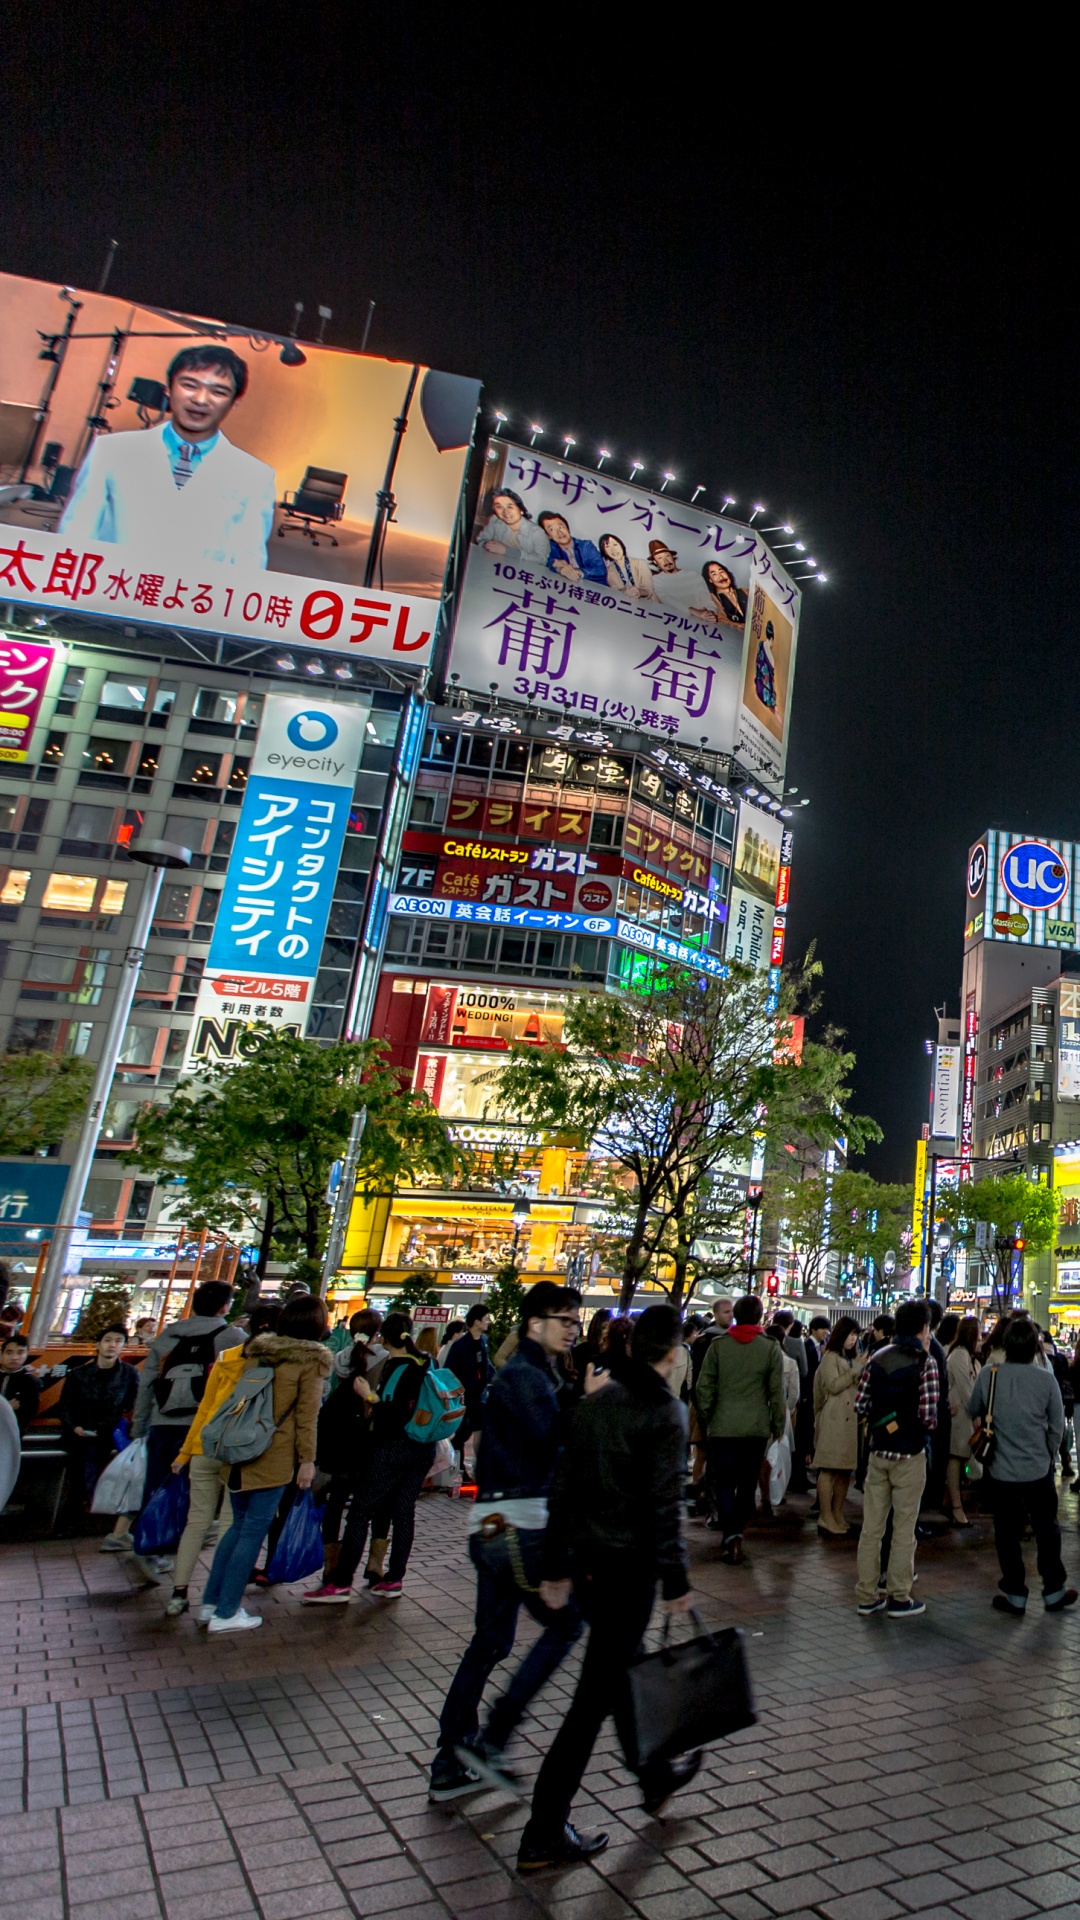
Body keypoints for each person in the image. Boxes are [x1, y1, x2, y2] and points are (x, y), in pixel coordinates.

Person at [516, 1306, 696, 1873]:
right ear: (673, 1354)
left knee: (620, 1672)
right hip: (629, 1570)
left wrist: (556, 1566)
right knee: (592, 1701)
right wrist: (675, 1578)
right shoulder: (665, 1412)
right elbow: (664, 1504)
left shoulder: (597, 1403)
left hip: (589, 1564)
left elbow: (564, 1488)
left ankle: (654, 1774)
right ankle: (544, 1830)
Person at [429, 1281, 585, 1801]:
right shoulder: (527, 1377)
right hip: (520, 1526)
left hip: (493, 1525)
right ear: (535, 1324)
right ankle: (492, 1739)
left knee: (491, 1641)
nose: (573, 1329)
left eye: (575, 1320)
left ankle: (451, 1760)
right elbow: (555, 1445)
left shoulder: (528, 1374)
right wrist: (585, 1402)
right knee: (565, 1624)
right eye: (564, 1320)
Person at [60, 345, 277, 568]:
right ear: (169, 390)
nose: (201, 400)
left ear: (235, 402)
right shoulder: (112, 450)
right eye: (190, 385)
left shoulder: (255, 477)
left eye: (218, 392)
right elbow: (77, 530)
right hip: (113, 583)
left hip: (193, 589)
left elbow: (248, 560)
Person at [198, 1293, 331, 1633]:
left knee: (237, 1527)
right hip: (272, 1456)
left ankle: (211, 1603)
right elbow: (307, 1418)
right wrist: (307, 1460)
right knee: (252, 1532)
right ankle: (226, 1612)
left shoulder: (260, 1353)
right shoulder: (310, 1362)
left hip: (239, 1448)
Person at [303, 1313, 437, 1602]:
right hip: (423, 1449)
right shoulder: (426, 1363)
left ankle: (341, 1583)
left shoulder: (397, 1367)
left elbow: (392, 1412)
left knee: (360, 1513)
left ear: (385, 1339)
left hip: (393, 1449)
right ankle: (394, 1579)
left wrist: (368, 1396)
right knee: (404, 1512)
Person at [161, 1302, 281, 1617]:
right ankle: (214, 1600)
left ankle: (178, 1593)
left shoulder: (227, 1357)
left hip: (206, 1444)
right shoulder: (275, 1364)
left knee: (196, 1522)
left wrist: (185, 1452)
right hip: (240, 1451)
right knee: (231, 1525)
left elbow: (205, 1407)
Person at [968, 1316, 1077, 1614]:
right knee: (1047, 1529)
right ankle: (1053, 1591)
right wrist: (1047, 1452)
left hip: (1001, 1470)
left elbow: (973, 1408)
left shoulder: (989, 1375)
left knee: (1006, 1532)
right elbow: (1057, 1425)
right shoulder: (1046, 1379)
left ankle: (1015, 1594)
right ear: (1034, 1347)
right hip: (1038, 1469)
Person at [130, 1280, 246, 1523]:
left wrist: (139, 1427)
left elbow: (147, 1384)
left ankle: (149, 1536)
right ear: (224, 1307)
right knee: (194, 1494)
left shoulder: (167, 1336)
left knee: (156, 1486)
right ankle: (180, 1537)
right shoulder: (233, 1337)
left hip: (161, 1422)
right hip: (203, 1427)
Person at [854, 1299, 938, 1618]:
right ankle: (899, 1596)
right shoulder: (925, 1363)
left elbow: (860, 1405)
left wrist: (884, 1419)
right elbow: (929, 1416)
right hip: (910, 1454)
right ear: (923, 1328)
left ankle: (866, 1595)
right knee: (904, 1528)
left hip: (878, 1452)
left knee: (872, 1528)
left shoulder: (877, 1357)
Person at [695, 1295, 785, 1564]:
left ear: (736, 1315)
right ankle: (737, 1534)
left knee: (724, 1483)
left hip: (723, 1425)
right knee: (747, 1484)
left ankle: (729, 1535)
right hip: (756, 1427)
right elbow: (776, 1392)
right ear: (759, 1317)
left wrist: (707, 1416)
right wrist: (778, 1424)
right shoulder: (769, 1347)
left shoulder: (719, 1346)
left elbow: (704, 1386)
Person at [58, 1326, 139, 1524]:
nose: (113, 1345)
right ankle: (79, 1509)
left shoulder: (129, 1373)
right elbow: (65, 1405)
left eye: (118, 1341)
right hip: (78, 1431)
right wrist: (74, 1427)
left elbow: (133, 1402)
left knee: (97, 1454)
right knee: (81, 1457)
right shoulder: (79, 1373)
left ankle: (87, 1509)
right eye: (108, 1340)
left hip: (110, 1432)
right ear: (98, 1344)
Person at [812, 1317, 865, 1537]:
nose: (853, 1339)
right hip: (834, 1418)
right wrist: (855, 1371)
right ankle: (825, 1515)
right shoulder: (830, 1358)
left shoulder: (852, 1359)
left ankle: (837, 1513)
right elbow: (833, 1386)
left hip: (851, 1418)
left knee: (844, 1470)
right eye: (850, 1334)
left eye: (856, 1335)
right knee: (829, 1468)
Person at [445, 1304, 494, 1472]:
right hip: (464, 1396)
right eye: (486, 1318)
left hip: (479, 1396)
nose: (488, 1322)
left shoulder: (483, 1341)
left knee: (481, 1429)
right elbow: (450, 1370)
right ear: (476, 1321)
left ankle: (479, 1466)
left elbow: (486, 1366)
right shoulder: (461, 1345)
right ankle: (456, 1467)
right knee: (462, 1433)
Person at [945, 1316, 982, 1526]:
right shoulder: (960, 1355)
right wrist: (976, 1414)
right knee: (956, 1459)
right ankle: (956, 1507)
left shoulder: (966, 1355)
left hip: (962, 1416)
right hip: (959, 1417)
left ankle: (952, 1503)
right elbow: (967, 1389)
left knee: (959, 1460)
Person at [475, 488, 550, 560]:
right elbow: (481, 539)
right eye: (499, 507)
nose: (505, 512)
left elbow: (542, 560)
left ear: (521, 510)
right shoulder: (494, 520)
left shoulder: (537, 532)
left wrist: (506, 551)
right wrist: (487, 545)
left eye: (510, 507)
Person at [537, 511, 607, 584]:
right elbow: (548, 561)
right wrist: (557, 566)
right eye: (552, 529)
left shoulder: (586, 546)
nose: (559, 532)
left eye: (560, 527)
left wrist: (579, 572)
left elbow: (601, 571)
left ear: (568, 528)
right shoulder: (549, 547)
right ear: (548, 535)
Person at [598, 533, 659, 600]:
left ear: (621, 545)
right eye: (607, 547)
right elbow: (613, 591)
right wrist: (622, 591)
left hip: (649, 604)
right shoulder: (608, 571)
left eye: (615, 545)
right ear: (604, 551)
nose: (613, 550)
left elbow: (648, 589)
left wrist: (639, 592)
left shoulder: (640, 563)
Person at [0, 1333, 40, 1432]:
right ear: (1, 1354)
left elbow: (28, 1413)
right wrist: (6, 1406)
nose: (14, 1357)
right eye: (9, 1353)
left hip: (11, 1431)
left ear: (27, 1355)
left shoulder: (30, 1382)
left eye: (20, 1353)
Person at [700, 560, 747, 626]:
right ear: (710, 580)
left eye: (721, 572)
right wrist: (738, 625)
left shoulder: (745, 591)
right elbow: (721, 619)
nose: (721, 577)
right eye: (714, 574)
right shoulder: (712, 597)